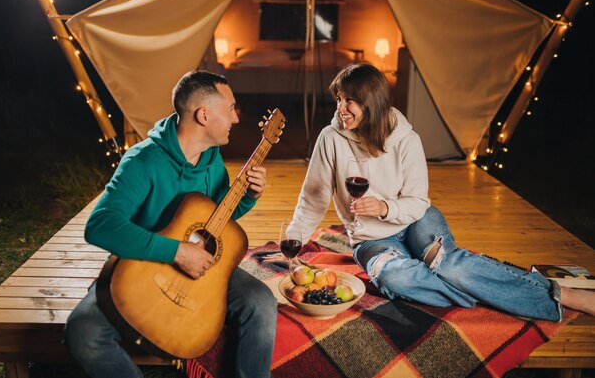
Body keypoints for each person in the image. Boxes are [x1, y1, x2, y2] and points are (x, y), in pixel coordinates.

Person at [286, 62, 595, 321]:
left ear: (371, 102)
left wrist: (384, 208)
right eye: (338, 99)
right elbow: (312, 198)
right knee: (396, 278)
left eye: (349, 100)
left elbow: (418, 202)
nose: (341, 108)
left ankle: (563, 294)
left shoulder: (406, 140)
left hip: (415, 220)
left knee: (447, 262)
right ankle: (493, 293)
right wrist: (293, 242)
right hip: (370, 240)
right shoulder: (331, 138)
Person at [64, 70, 277, 378]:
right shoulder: (143, 161)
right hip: (141, 266)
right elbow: (100, 225)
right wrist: (176, 252)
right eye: (230, 108)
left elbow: (214, 222)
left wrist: (248, 197)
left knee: (260, 301)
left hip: (197, 266)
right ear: (203, 115)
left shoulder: (211, 160)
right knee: (83, 333)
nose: (236, 118)